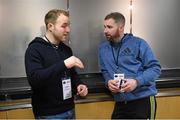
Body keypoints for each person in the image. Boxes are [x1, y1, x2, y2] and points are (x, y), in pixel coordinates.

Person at [25, 9, 88, 119]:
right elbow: (35, 79)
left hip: (69, 109)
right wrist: (64, 64)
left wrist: (79, 84)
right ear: (50, 26)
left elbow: (71, 74)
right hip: (49, 114)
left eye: (69, 25)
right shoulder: (34, 49)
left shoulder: (66, 49)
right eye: (64, 26)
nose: (68, 30)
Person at [99, 12, 161, 119]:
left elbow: (155, 68)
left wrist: (136, 82)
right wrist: (108, 82)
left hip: (142, 100)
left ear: (121, 27)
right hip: (121, 102)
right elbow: (105, 71)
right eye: (104, 27)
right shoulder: (103, 49)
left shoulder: (139, 43)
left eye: (109, 27)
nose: (105, 31)